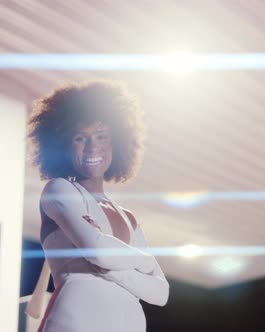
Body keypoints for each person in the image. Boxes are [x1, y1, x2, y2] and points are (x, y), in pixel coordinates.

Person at [27, 80, 169, 332]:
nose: (93, 146)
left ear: (117, 142)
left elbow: (160, 293)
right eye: (81, 138)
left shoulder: (128, 217)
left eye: (102, 136)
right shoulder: (59, 190)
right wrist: (141, 264)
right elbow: (99, 252)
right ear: (62, 145)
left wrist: (112, 267)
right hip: (76, 320)